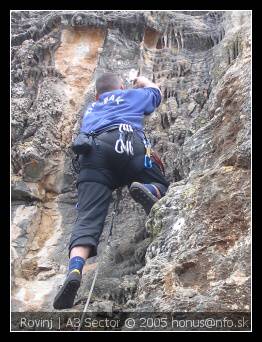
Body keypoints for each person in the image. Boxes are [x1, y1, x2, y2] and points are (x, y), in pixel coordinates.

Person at [53, 72, 170, 309]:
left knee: (86, 219)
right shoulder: (130, 95)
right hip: (130, 145)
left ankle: (75, 269)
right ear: (121, 87)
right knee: (160, 183)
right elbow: (156, 93)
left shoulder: (92, 108)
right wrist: (142, 81)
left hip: (95, 152)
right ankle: (149, 189)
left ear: (97, 95)